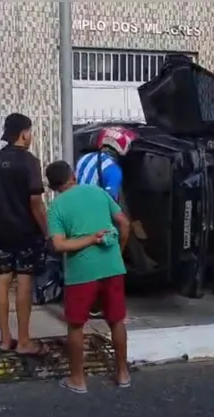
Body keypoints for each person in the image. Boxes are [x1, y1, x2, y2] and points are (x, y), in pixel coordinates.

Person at [45, 160, 131, 394]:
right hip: (112, 267)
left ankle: (78, 379)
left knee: (75, 325)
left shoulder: (56, 208)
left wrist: (89, 240)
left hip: (81, 272)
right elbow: (124, 224)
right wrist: (118, 253)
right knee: (116, 320)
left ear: (53, 186)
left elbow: (59, 245)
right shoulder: (98, 192)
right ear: (73, 176)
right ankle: (123, 373)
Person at [0, 113, 50, 356]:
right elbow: (36, 201)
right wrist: (47, 232)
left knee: (3, 278)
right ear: (24, 133)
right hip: (26, 231)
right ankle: (24, 340)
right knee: (24, 279)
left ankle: (5, 339)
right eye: (30, 132)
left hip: (3, 230)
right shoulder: (29, 162)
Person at [75, 125, 136, 319]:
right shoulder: (114, 170)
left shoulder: (83, 159)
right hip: (96, 221)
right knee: (109, 261)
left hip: (77, 219)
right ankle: (98, 304)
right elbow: (109, 203)